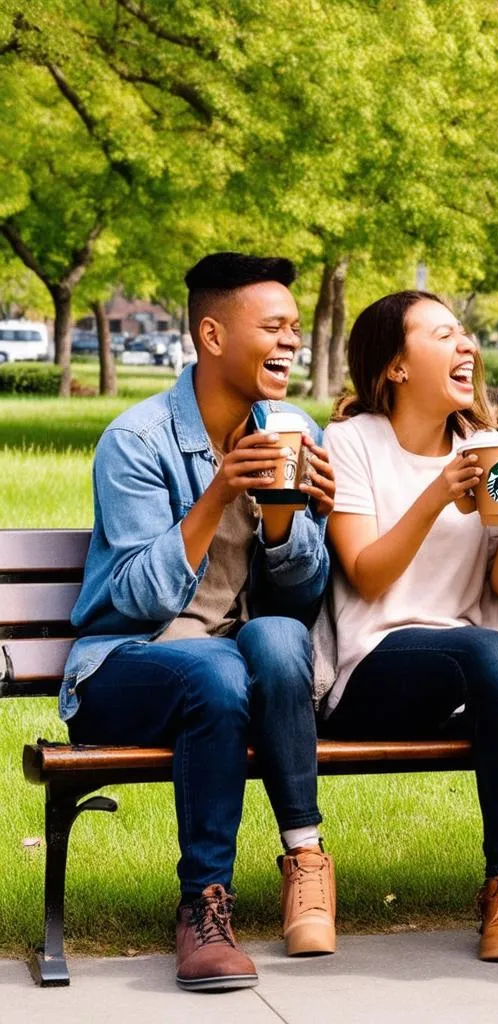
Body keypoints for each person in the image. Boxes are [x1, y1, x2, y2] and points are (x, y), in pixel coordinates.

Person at [63, 253, 337, 991]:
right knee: (216, 668)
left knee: (277, 640)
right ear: (212, 335)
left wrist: (291, 517)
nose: (291, 342)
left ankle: (306, 859)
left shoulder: (290, 427)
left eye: (294, 327)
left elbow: (301, 595)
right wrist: (217, 495)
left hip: (237, 670)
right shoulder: (137, 441)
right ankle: (202, 907)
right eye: (273, 327)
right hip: (127, 665)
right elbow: (133, 598)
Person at [318, 290, 498, 961]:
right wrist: (438, 491)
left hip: (475, 674)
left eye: (464, 334)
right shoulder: (352, 443)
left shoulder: (485, 446)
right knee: (490, 653)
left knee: (495, 654)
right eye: (444, 335)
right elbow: (367, 573)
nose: (466, 345)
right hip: (373, 671)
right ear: (396, 367)